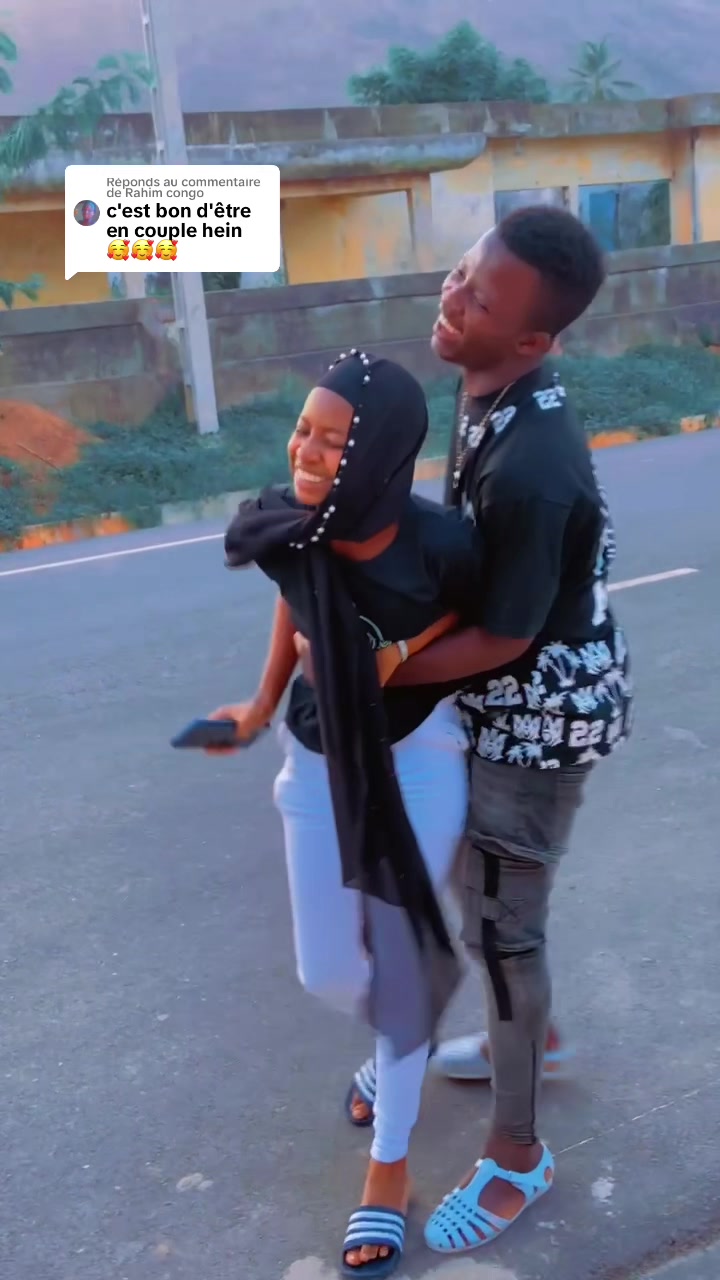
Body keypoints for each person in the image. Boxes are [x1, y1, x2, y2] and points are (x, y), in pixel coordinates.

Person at [341, 206, 634, 1254]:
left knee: (505, 932)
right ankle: (531, 1041)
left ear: (533, 339)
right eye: (462, 273)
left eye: (481, 298)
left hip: (541, 718)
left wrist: (380, 671)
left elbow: (506, 635)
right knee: (479, 902)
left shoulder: (533, 462)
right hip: (507, 695)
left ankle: (518, 1154)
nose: (453, 298)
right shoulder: (485, 388)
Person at [206, 351, 491, 1276]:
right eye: (304, 430)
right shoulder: (295, 526)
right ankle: (399, 1039)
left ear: (379, 454)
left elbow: (485, 618)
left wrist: (400, 652)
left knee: (398, 966)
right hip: (317, 758)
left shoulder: (440, 543)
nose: (306, 451)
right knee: (327, 970)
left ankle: (390, 1165)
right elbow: (296, 606)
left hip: (417, 763)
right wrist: (259, 704)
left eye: (333, 441)